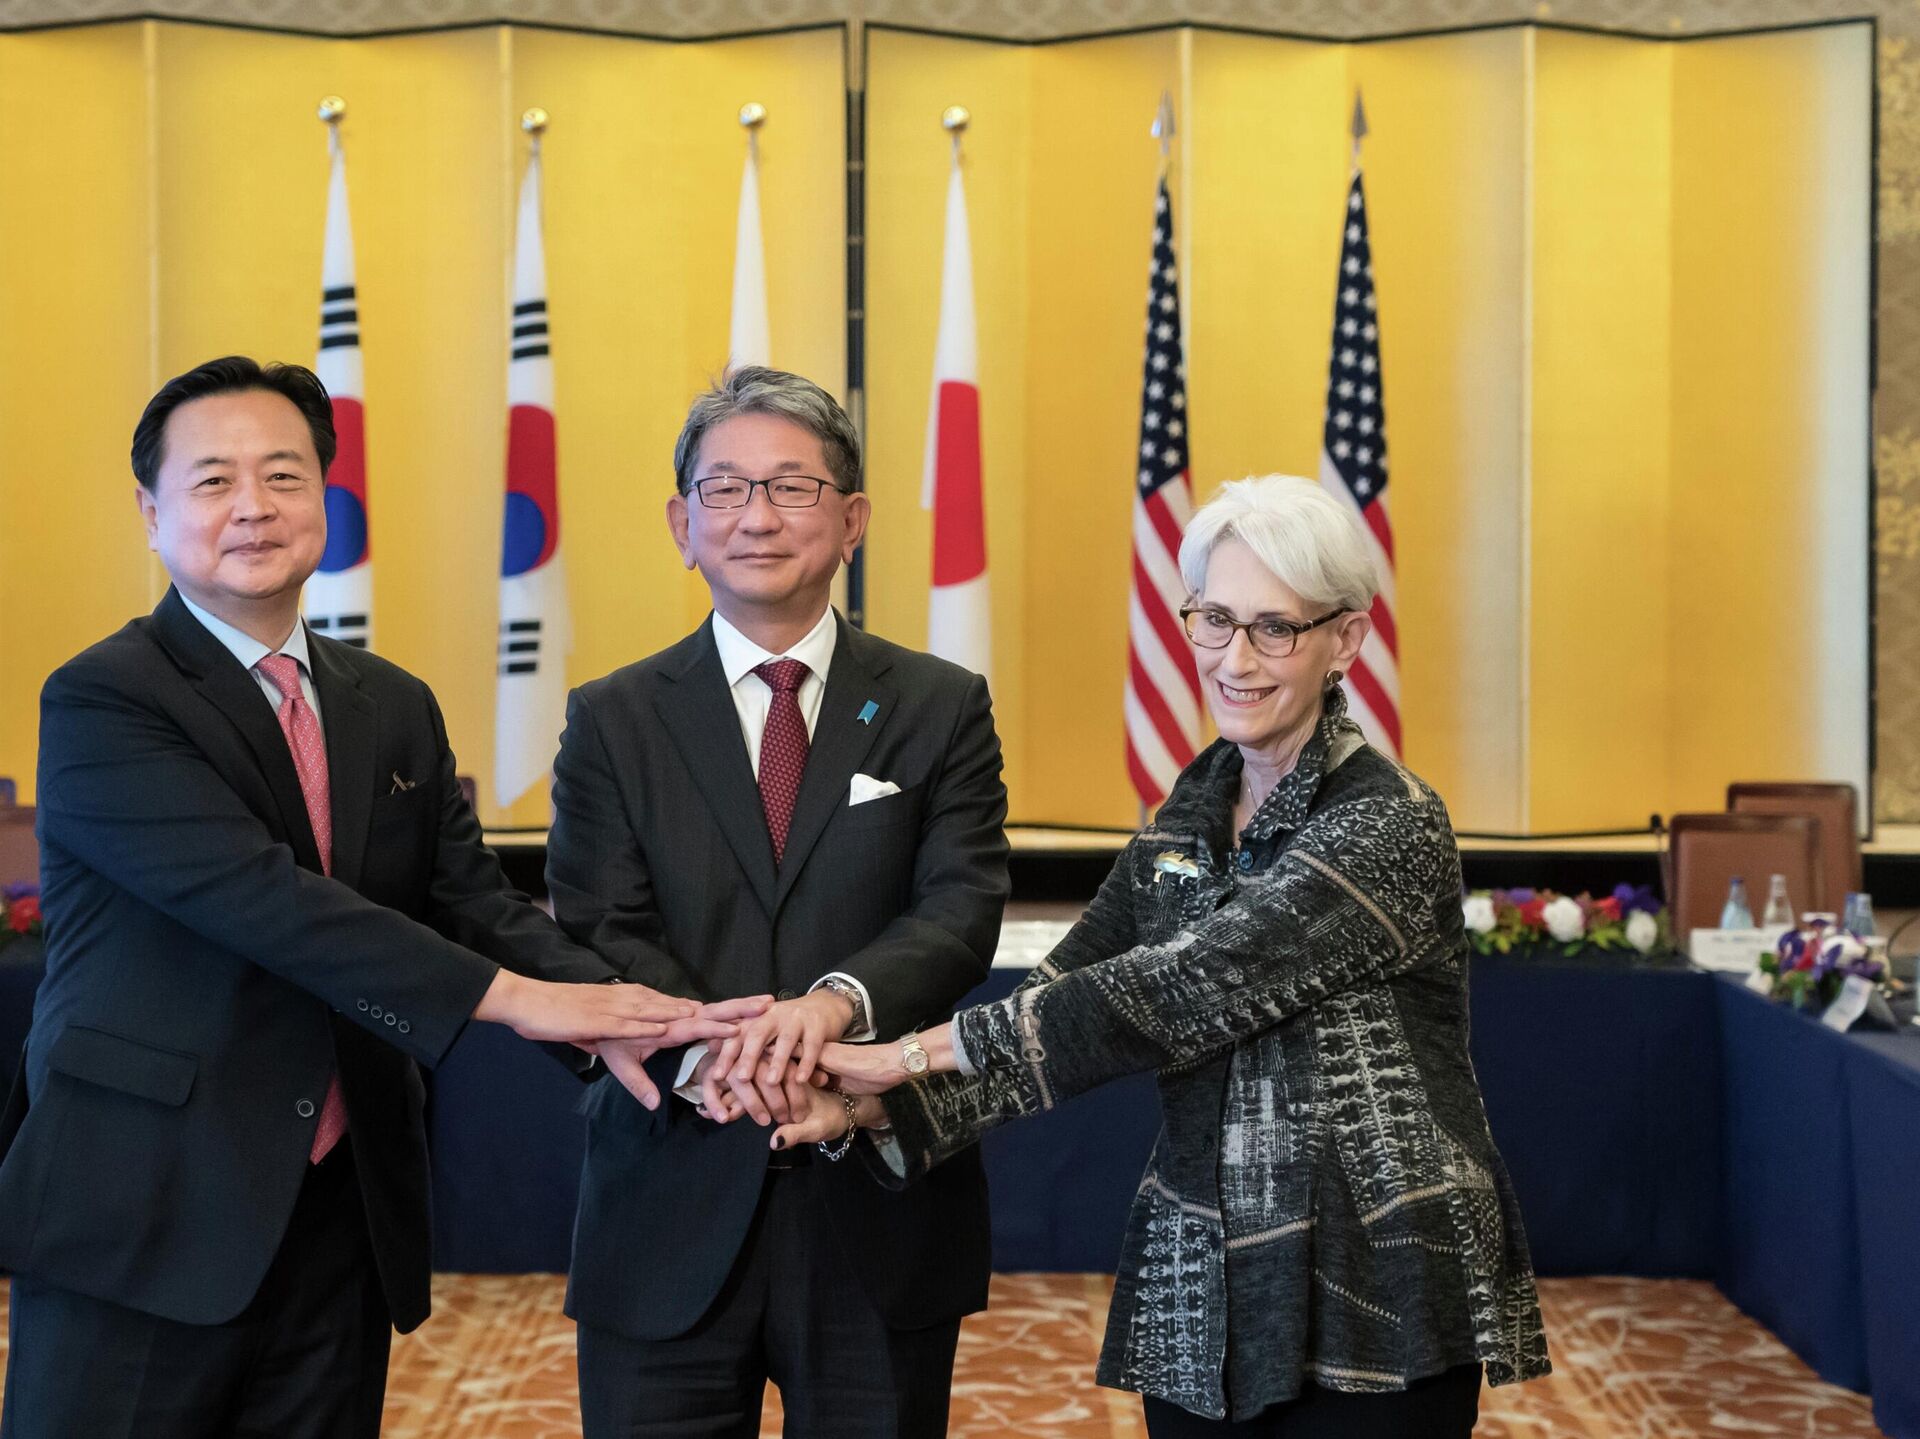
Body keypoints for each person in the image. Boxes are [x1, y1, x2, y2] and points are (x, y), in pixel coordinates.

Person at [0, 356, 754, 1439]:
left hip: (341, 1206)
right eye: (212, 480)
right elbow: (266, 903)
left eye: (284, 475)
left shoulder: (390, 704)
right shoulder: (104, 697)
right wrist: (525, 1001)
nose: (253, 506)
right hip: (145, 1206)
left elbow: (472, 900)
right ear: (151, 512)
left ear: (326, 496)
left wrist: (656, 1027)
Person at [780, 475, 1552, 1435]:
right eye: (1215, 619)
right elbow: (1073, 985)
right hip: (1202, 1284)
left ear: (1347, 640)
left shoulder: (1391, 819)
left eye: (1276, 628)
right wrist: (874, 1106)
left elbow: (1184, 988)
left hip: (1376, 1274)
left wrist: (902, 1055)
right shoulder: (1191, 807)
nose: (1236, 657)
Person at [546, 365, 1010, 1438]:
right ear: (683, 524)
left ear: (852, 521)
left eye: (793, 487)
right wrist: (721, 1056)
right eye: (725, 488)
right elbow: (599, 925)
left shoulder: (940, 705)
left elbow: (959, 909)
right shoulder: (613, 717)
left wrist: (834, 1005)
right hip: (670, 1178)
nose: (757, 516)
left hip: (878, 1189)